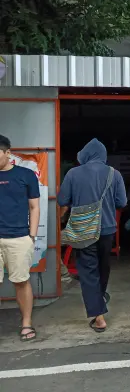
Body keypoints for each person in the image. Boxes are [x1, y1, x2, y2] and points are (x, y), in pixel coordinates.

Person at [57, 139, 127, 332]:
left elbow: (62, 200)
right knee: (103, 268)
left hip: (84, 230)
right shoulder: (114, 174)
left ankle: (99, 317)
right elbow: (122, 202)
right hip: (107, 230)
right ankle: (100, 299)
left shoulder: (73, 173)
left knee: (88, 272)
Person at [0, 135, 41, 341]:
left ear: (8, 153)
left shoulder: (26, 175)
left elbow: (34, 207)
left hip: (18, 237)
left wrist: (31, 236)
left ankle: (26, 323)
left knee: (21, 281)